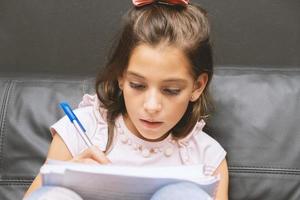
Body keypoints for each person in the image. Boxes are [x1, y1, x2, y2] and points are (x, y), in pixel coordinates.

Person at [24, 0, 228, 199]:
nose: (151, 106)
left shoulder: (207, 157)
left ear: (197, 86)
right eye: (138, 85)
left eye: (171, 90)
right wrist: (69, 177)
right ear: (121, 77)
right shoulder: (80, 129)